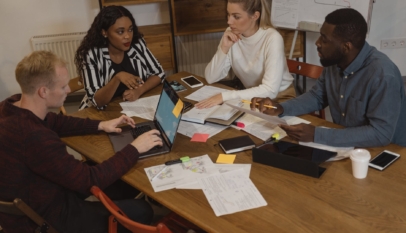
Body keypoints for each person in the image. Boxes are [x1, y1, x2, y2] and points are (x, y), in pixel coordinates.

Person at [0, 51, 163, 233]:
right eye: (63, 87)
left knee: (124, 184)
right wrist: (135, 148)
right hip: (46, 219)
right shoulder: (33, 137)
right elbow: (89, 180)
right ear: (43, 92)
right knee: (142, 210)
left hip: (39, 195)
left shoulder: (12, 106)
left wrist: (101, 124)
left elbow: (57, 122)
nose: (69, 90)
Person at [251, 8, 406, 148]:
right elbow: (317, 96)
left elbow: (380, 134)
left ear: (346, 46)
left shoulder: (384, 75)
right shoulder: (335, 62)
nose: (317, 43)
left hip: (386, 153)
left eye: (324, 39)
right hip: (346, 144)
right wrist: (281, 108)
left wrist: (316, 135)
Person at [196, 0, 295, 109]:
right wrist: (224, 48)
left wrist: (224, 96)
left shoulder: (272, 38)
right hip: (252, 97)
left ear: (255, 16)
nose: (229, 21)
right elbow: (211, 77)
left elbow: (270, 90)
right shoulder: (231, 33)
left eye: (236, 17)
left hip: (280, 99)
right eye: (228, 15)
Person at [75, 5, 165, 110]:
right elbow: (96, 101)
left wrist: (139, 91)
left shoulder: (136, 44)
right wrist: (117, 78)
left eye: (130, 30)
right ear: (105, 32)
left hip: (131, 107)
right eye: (120, 32)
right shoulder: (92, 55)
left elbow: (158, 73)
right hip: (99, 113)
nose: (127, 36)